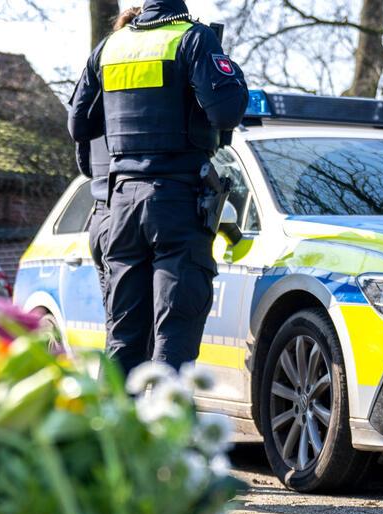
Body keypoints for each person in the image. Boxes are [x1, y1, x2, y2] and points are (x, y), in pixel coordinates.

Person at [67, 0, 246, 372]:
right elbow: (226, 112)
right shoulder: (193, 39)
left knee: (123, 342)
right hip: (176, 201)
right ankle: (168, 426)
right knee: (173, 338)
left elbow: (78, 126)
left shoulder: (109, 47)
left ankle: (116, 428)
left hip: (121, 206)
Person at [74, 6, 141, 301]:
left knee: (119, 325)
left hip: (101, 216)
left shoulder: (101, 85)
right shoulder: (144, 103)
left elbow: (84, 163)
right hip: (133, 212)